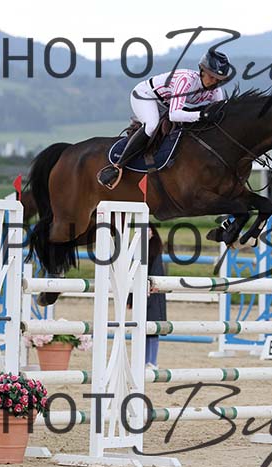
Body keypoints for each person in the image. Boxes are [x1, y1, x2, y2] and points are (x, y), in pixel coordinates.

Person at [97, 49, 231, 189]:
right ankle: (118, 166)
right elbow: (174, 114)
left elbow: (220, 114)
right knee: (151, 125)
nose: (214, 82)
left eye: (218, 79)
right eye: (212, 77)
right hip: (145, 96)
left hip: (166, 103)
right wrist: (201, 115)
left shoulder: (216, 91)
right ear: (202, 71)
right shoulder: (186, 80)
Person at [144, 223, 165, 369]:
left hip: (155, 294)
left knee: (154, 330)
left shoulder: (156, 248)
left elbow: (157, 272)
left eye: (149, 230)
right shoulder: (138, 249)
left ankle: (152, 361)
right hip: (143, 293)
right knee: (143, 330)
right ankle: (145, 360)